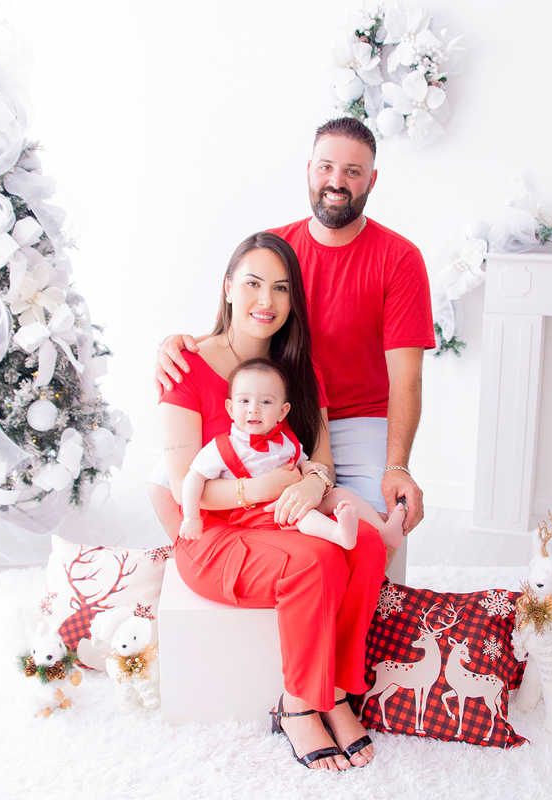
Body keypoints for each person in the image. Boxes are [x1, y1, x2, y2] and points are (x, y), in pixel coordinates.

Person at [158, 231, 386, 771]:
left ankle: (336, 691)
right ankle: (300, 705)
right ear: (228, 289)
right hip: (214, 535)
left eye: (281, 288)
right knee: (317, 558)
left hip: (281, 519)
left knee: (368, 544)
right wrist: (260, 488)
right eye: (253, 284)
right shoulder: (185, 366)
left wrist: (310, 484)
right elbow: (183, 485)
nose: (267, 300)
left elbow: (321, 462)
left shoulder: (302, 371)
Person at [155, 117, 434, 557]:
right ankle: (207, 566)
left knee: (370, 534)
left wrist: (396, 465)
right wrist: (175, 344)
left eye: (353, 171)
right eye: (326, 167)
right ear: (309, 171)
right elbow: (238, 324)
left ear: (372, 180)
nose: (336, 181)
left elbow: (407, 377)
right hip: (280, 411)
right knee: (165, 479)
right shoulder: (276, 250)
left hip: (357, 420)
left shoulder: (399, 258)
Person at [178, 357, 407, 551]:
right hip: (260, 513)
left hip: (295, 498)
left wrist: (308, 468)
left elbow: (300, 462)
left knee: (339, 494)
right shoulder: (223, 446)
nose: (253, 409)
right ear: (230, 408)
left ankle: (384, 531)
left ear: (282, 412)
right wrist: (191, 517)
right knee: (302, 515)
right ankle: (338, 534)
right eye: (244, 401)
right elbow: (193, 478)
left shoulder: (286, 440)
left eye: (265, 402)